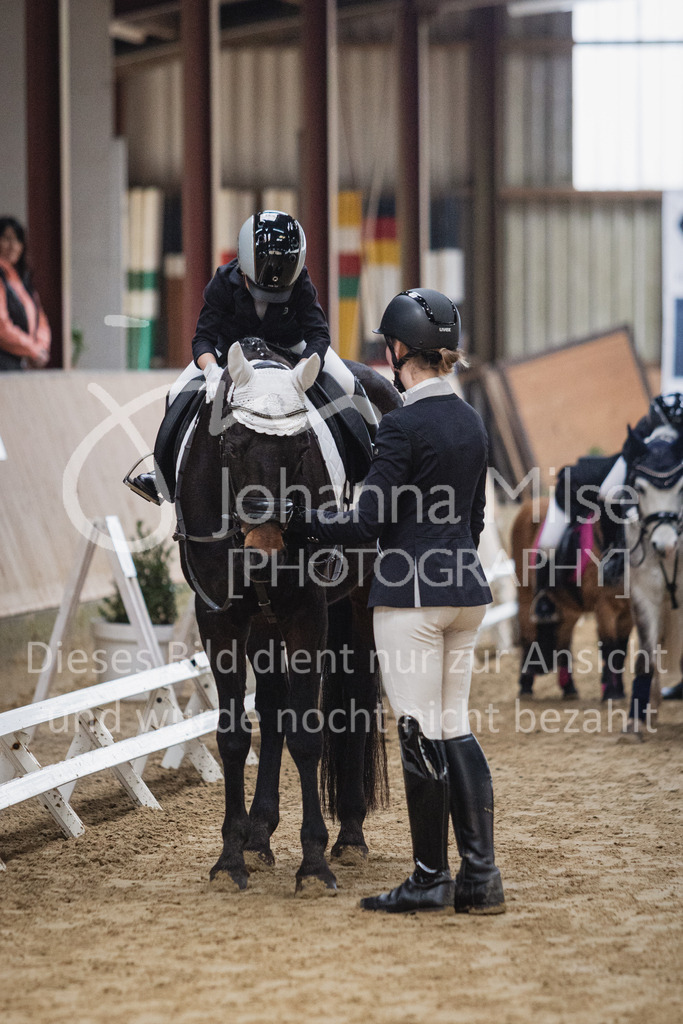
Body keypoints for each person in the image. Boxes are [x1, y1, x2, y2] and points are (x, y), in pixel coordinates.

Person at [289, 288, 505, 915]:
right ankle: (480, 878)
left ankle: (430, 877)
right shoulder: (470, 421)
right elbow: (475, 519)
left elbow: (366, 519)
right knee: (454, 727)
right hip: (465, 592)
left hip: (411, 599)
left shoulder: (402, 426)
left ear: (399, 350)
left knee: (415, 730)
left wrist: (301, 520)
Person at [127, 209, 368, 504]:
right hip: (232, 351)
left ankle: (371, 455)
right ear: (243, 267)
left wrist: (304, 367)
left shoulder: (300, 281)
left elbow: (318, 334)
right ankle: (162, 476)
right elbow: (203, 338)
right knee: (178, 390)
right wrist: (212, 370)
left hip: (291, 346)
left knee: (347, 381)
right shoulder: (223, 281)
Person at [531, 393, 683, 626]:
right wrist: (632, 514)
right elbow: (611, 493)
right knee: (547, 544)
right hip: (576, 488)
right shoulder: (639, 442)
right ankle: (544, 596)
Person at [0, 216, 51, 371]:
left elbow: (40, 319)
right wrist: (33, 350)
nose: (13, 246)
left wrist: (40, 347)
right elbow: (2, 326)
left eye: (17, 240)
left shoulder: (22, 281)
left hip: (19, 364)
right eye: (6, 239)